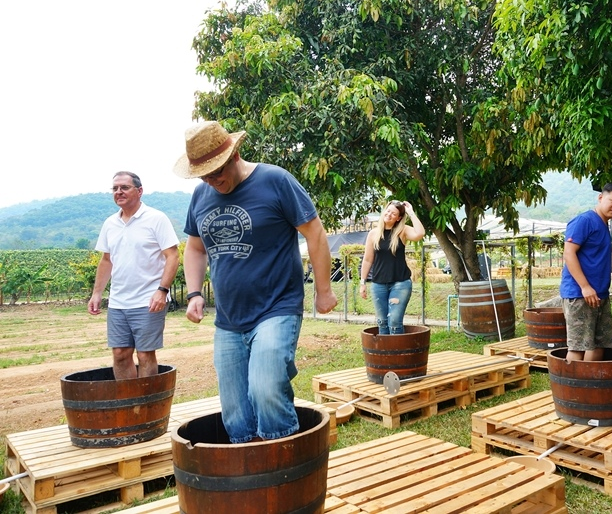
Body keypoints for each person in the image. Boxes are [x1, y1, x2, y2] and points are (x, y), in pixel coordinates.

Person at [174, 120, 337, 443]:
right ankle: (250, 475)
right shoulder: (201, 195)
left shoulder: (274, 181)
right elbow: (194, 248)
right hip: (229, 319)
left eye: (216, 170)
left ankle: (285, 464)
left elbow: (315, 232)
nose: (212, 179)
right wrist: (194, 293)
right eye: (204, 174)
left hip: (277, 307)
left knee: (265, 388)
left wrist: (324, 290)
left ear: (234, 155)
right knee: (234, 409)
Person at [88, 172, 180, 379]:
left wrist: (162, 291)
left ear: (139, 191)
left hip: (149, 299)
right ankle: (129, 405)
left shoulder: (156, 218)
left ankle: (146, 407)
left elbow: (173, 256)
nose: (118, 192)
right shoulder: (110, 223)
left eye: (124, 187)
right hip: (118, 301)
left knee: (146, 354)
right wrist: (96, 294)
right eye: (115, 188)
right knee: (120, 354)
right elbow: (106, 260)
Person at [559, 182, 612, 361]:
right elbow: (568, 253)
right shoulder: (584, 221)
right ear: (600, 197)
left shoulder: (603, 224)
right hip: (580, 294)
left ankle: (590, 386)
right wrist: (585, 287)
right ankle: (573, 387)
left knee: (600, 344)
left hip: (599, 295)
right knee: (578, 347)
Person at [359, 200, 426, 335]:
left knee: (394, 322)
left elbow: (420, 233)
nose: (389, 215)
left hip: (400, 283)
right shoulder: (373, 234)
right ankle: (385, 355)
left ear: (398, 218)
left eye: (393, 213)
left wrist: (411, 212)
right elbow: (367, 260)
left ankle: (397, 354)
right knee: (382, 322)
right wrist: (363, 282)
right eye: (388, 211)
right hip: (379, 284)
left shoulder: (402, 231)